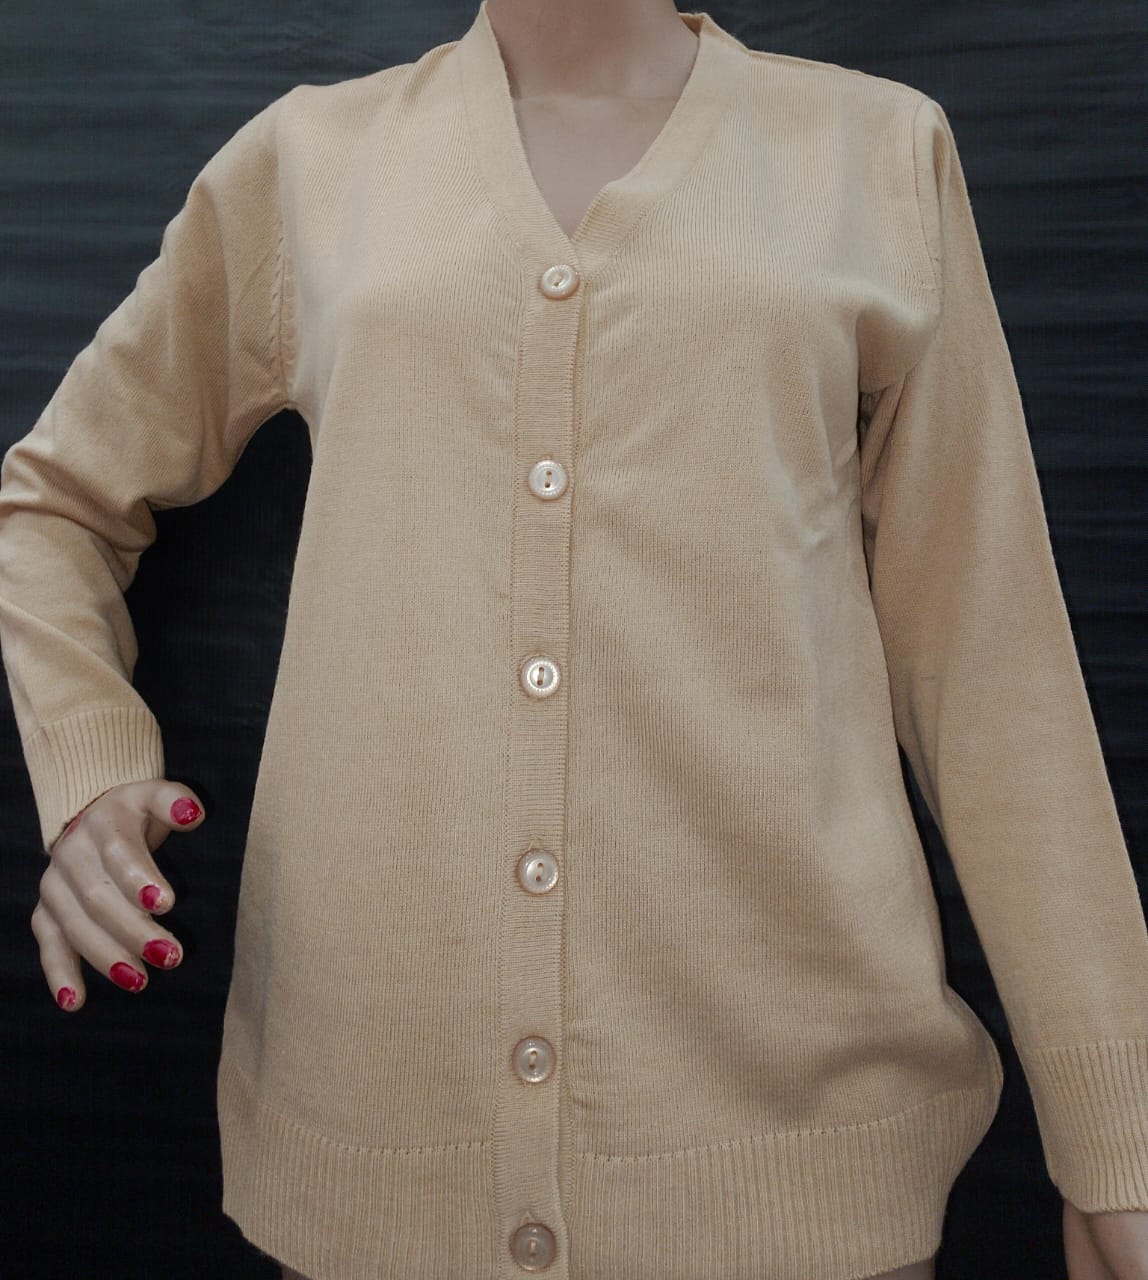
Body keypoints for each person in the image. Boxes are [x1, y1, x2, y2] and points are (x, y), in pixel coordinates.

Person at [3, 2, 1147, 1278]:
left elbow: (987, 658)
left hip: (794, 1155)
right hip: (381, 1136)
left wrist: (1116, 1134)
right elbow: (52, 500)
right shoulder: (312, 161)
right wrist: (92, 763)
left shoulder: (870, 151)